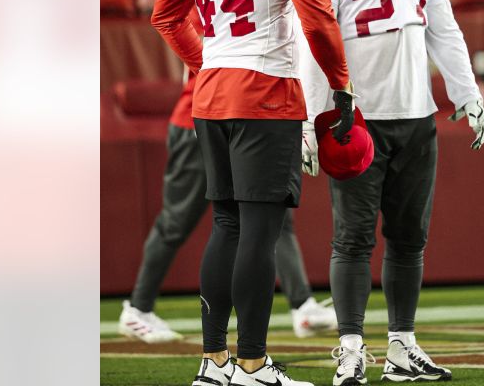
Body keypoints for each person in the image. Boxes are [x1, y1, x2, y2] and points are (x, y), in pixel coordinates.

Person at [151, 0, 356, 386]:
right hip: (266, 93)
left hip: (211, 95)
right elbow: (316, 19)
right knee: (260, 233)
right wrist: (341, 85)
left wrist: (205, 63)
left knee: (225, 226)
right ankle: (252, 363)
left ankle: (213, 361)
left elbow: (165, 16)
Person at [298, 0, 484, 385]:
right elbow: (314, 41)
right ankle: (352, 349)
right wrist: (314, 117)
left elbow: (444, 31)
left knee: (409, 239)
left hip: (417, 115)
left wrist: (466, 93)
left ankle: (403, 347)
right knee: (353, 239)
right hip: (356, 120)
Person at [118, 63, 340, 343]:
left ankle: (302, 305)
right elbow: (181, 30)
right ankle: (138, 307)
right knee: (180, 221)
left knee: (272, 213)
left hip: (251, 114)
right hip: (208, 117)